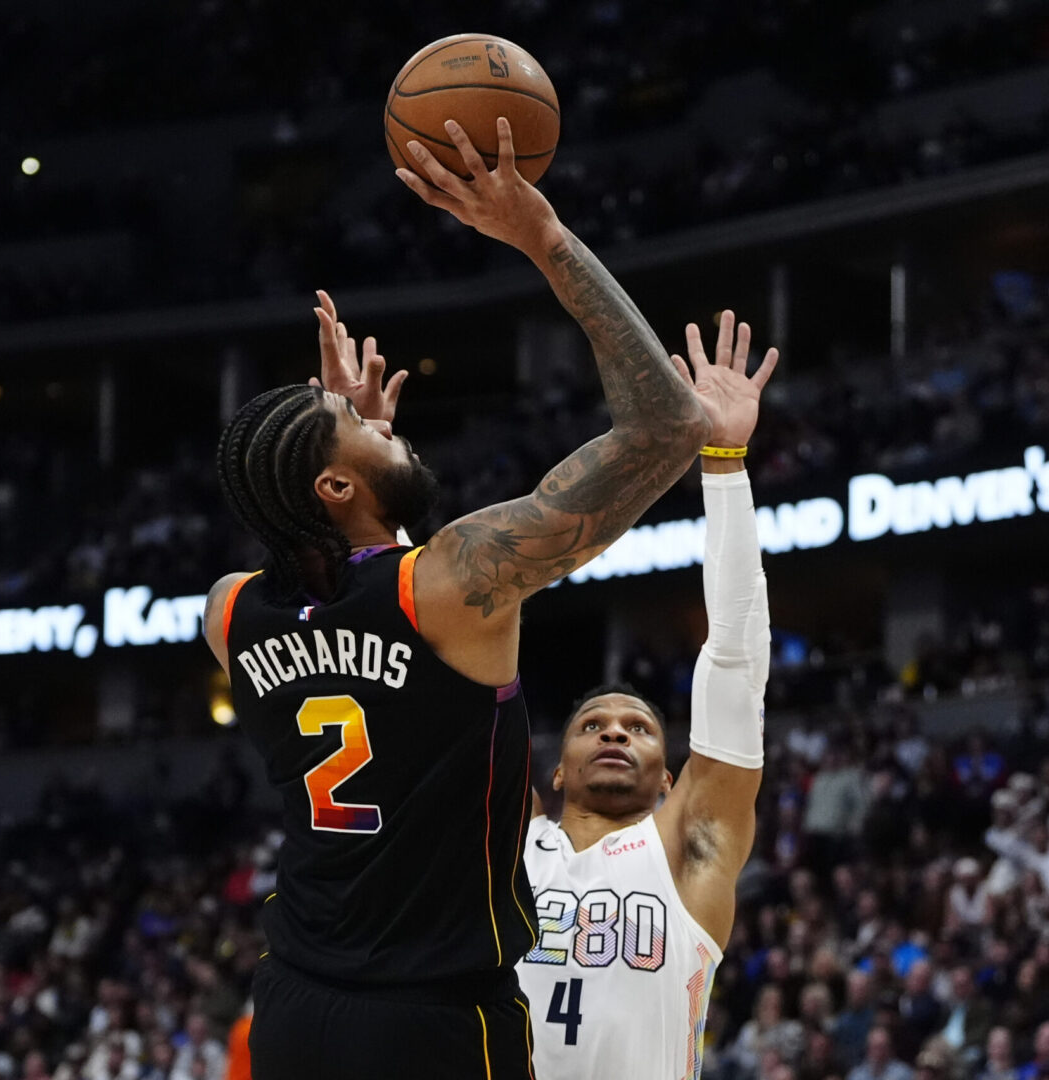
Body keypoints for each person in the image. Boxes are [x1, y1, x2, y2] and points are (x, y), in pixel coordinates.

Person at [204, 117, 712, 1080]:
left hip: (295, 1004)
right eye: (346, 423)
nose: (370, 413)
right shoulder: (454, 580)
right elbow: (666, 426)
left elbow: (321, 588)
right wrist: (544, 238)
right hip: (432, 1015)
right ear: (335, 490)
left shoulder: (227, 612)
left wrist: (345, 458)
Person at [513, 310, 778, 1079]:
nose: (616, 732)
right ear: (555, 771)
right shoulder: (511, 845)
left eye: (637, 728)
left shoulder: (687, 843)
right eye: (593, 724)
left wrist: (724, 461)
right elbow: (432, 678)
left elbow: (734, 660)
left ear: (670, 779)